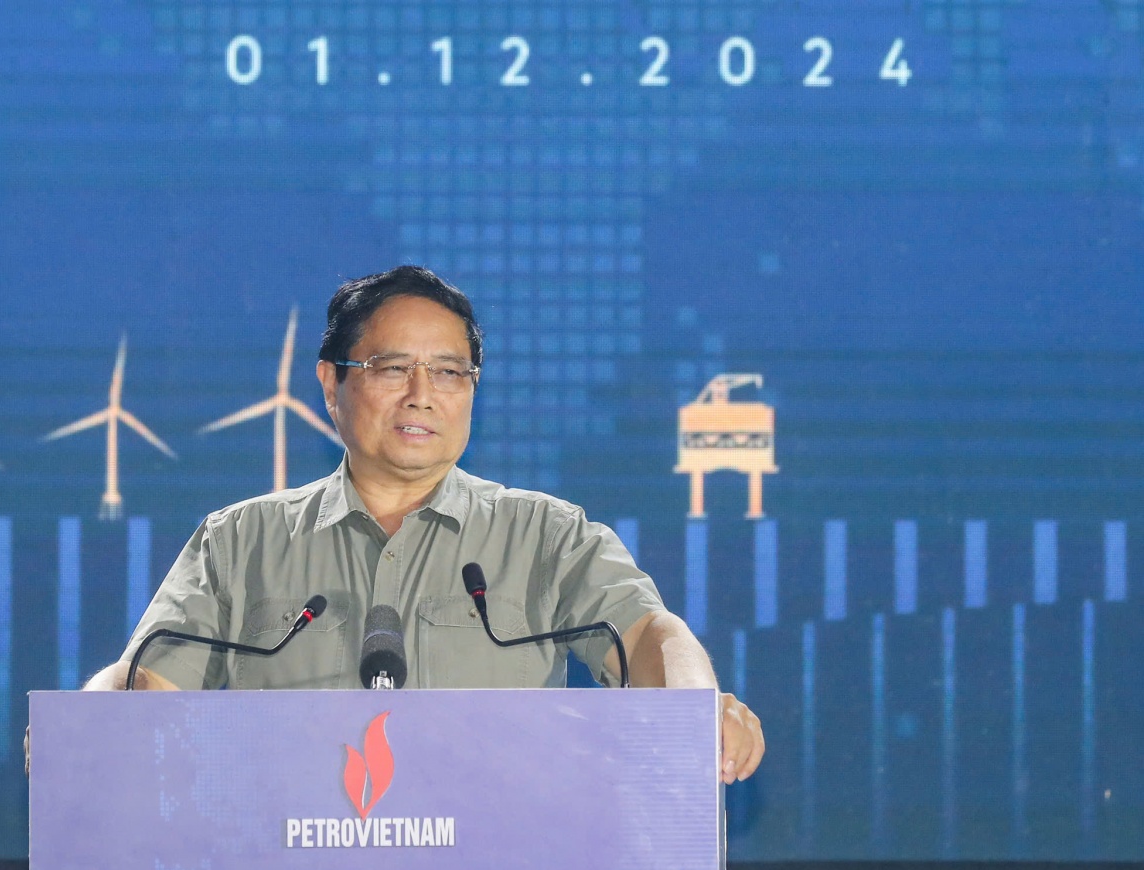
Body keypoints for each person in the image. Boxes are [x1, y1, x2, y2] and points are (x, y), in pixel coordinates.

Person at [84, 265, 764, 784]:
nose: (421, 395)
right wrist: (83, 728)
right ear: (331, 384)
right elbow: (144, 686)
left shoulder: (548, 536)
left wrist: (697, 708)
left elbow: (650, 638)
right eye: (392, 368)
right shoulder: (239, 543)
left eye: (448, 372)